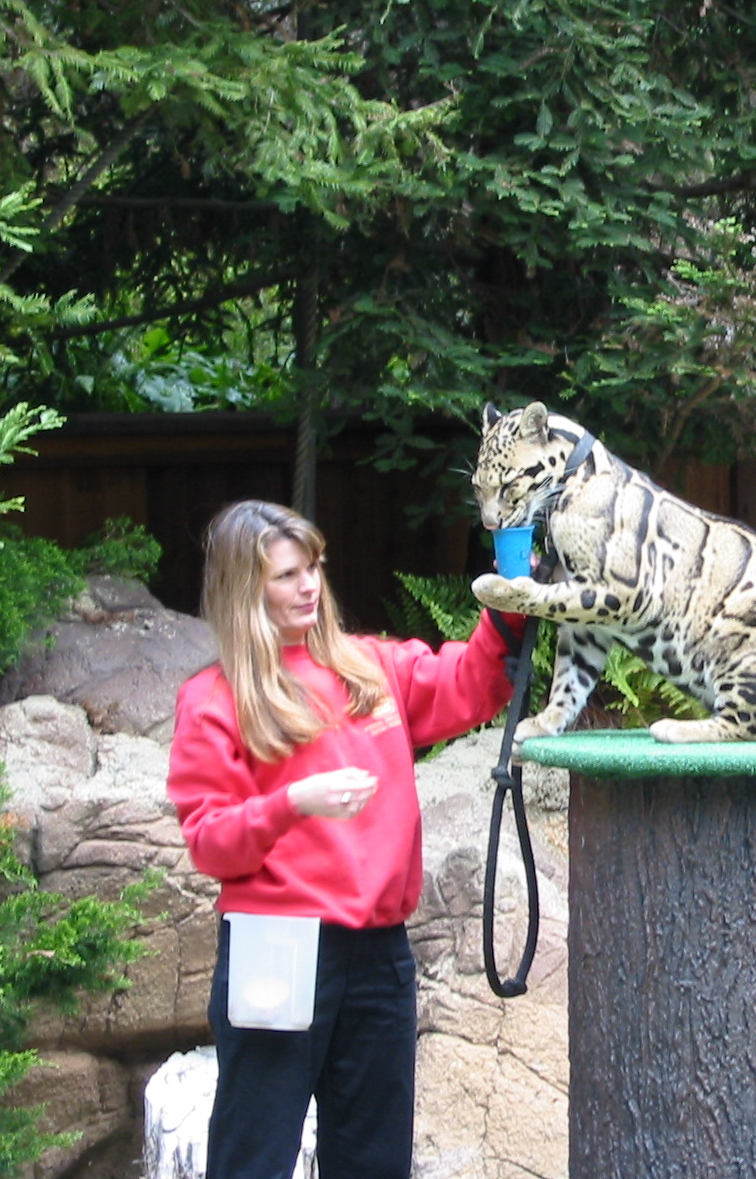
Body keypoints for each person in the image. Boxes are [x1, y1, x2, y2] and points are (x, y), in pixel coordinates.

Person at [167, 499, 522, 1179]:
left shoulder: (368, 668)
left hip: (380, 950)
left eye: (314, 567)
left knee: (374, 1159)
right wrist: (289, 806)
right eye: (287, 574)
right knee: (255, 1155)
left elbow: (472, 685)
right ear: (246, 589)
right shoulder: (216, 700)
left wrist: (509, 591)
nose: (308, 585)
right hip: (278, 946)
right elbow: (210, 842)